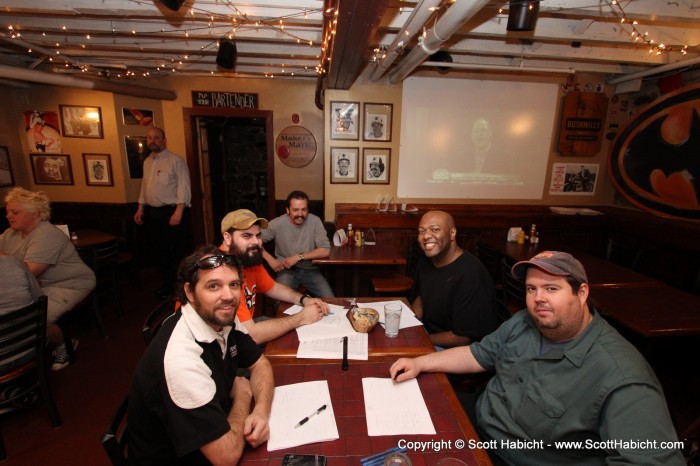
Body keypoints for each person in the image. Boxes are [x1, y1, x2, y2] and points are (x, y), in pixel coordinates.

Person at [390, 251, 685, 465]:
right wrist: (421, 362)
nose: (538, 298)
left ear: (581, 293)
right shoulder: (526, 322)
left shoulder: (622, 377)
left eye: (551, 288)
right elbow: (478, 354)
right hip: (479, 422)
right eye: (532, 289)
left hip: (511, 458)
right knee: (397, 436)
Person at [127, 245, 273, 465]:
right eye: (213, 286)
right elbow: (227, 457)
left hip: (216, 426)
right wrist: (244, 394)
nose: (229, 296)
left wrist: (261, 411)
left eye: (234, 285)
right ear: (189, 292)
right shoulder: (181, 359)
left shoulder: (222, 319)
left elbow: (260, 364)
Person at [0, 187, 96, 371]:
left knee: (35, 316)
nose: (8, 216)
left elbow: (26, 273)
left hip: (70, 285)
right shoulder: (11, 233)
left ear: (35, 214)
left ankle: (64, 346)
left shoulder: (47, 234)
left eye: (15, 212)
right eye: (7, 212)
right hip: (37, 285)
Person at [220, 209, 330, 344]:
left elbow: (273, 288)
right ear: (227, 238)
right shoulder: (221, 272)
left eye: (258, 236)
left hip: (242, 330)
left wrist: (303, 299)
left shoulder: (246, 259)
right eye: (247, 236)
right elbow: (252, 335)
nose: (256, 242)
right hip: (222, 346)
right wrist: (301, 317)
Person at [413, 210, 499, 348]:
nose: (426, 236)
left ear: (452, 233)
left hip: (459, 349)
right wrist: (410, 324)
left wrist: (420, 339)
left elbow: (463, 338)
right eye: (421, 231)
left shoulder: (471, 274)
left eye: (435, 229)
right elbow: (422, 296)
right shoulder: (427, 259)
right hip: (428, 334)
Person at [133, 126, 192, 298]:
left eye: (156, 137)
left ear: (164, 140)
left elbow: (184, 186)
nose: (152, 140)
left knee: (174, 253)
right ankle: (167, 285)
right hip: (153, 214)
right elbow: (145, 186)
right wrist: (140, 208)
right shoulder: (147, 162)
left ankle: (178, 289)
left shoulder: (175, 160)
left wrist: (179, 212)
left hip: (172, 212)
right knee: (160, 252)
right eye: (149, 138)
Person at [261, 191, 335, 298]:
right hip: (286, 271)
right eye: (295, 210)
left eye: (303, 210)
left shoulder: (315, 221)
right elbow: (253, 241)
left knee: (331, 301)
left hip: (311, 270)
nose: (300, 214)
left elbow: (325, 250)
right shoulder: (277, 223)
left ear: (307, 210)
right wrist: (270, 259)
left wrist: (298, 257)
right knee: (281, 304)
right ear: (287, 210)